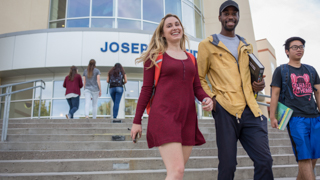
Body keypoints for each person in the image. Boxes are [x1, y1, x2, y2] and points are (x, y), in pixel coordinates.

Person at [130, 14, 213, 180]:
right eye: (169, 26)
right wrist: (136, 121)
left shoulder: (191, 58)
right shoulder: (154, 57)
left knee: (177, 173)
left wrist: (207, 98)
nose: (175, 27)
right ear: (162, 33)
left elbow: (197, 87)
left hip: (188, 118)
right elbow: (146, 90)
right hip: (164, 116)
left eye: (177, 24)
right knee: (177, 171)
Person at [196, 1, 274, 179]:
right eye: (226, 13)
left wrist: (258, 85)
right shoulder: (208, 44)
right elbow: (199, 78)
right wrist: (213, 100)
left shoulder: (246, 46)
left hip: (251, 110)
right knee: (228, 165)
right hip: (226, 110)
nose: (230, 16)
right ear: (220, 17)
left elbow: (252, 79)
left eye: (234, 13)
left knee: (265, 161)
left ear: (238, 17)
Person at [270, 37, 320, 180]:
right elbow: (275, 93)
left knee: (313, 157)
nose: (299, 49)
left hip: (315, 117)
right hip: (296, 119)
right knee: (304, 156)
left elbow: (318, 92)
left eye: (301, 46)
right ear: (287, 51)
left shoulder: (311, 70)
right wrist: (273, 117)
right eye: (295, 47)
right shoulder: (281, 70)